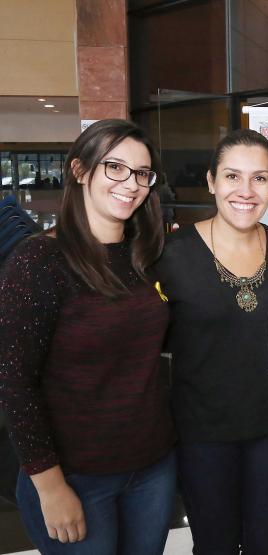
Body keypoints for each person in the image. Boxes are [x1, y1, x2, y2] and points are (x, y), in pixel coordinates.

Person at [0, 119, 175, 553]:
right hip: (75, 476)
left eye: (141, 173)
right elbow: (15, 382)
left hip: (151, 467)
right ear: (80, 170)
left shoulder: (145, 256)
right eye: (115, 167)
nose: (130, 184)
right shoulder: (39, 261)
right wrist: (50, 486)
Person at [155, 129, 268, 554]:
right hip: (202, 435)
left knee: (267, 545)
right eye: (233, 177)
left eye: (260, 179)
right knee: (214, 546)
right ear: (212, 181)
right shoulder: (171, 254)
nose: (246, 191)